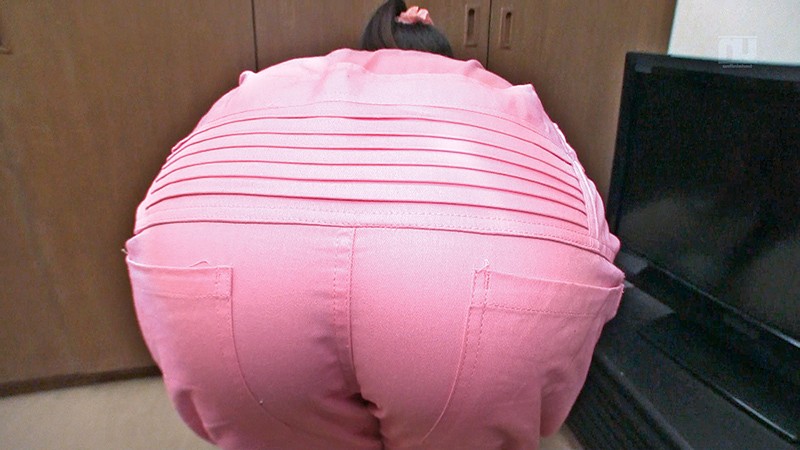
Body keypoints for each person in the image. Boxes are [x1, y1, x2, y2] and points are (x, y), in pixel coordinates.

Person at [124, 1, 624, 448]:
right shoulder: (495, 95)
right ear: (443, 57)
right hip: (506, 264)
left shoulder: (280, 83)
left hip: (204, 242)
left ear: (364, 51)